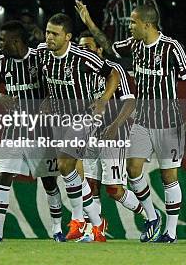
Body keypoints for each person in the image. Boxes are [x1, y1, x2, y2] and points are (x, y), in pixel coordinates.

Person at [76, 1, 186, 243]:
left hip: (168, 122)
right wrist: (89, 22)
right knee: (133, 171)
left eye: (133, 22)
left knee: (168, 177)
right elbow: (107, 46)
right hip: (142, 121)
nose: (129, 26)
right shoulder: (135, 45)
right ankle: (153, 218)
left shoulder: (171, 47)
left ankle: (171, 233)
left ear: (147, 24)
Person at [37, 13, 120, 242]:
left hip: (83, 117)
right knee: (70, 172)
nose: (49, 37)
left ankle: (78, 220)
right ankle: (95, 221)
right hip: (59, 119)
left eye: (55, 34)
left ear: (68, 37)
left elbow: (113, 75)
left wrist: (103, 100)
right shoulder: (43, 54)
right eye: (47, 32)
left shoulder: (83, 57)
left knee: (65, 164)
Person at [0, 21, 65, 243]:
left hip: (41, 131)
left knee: (49, 182)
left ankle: (57, 230)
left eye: (2, 40)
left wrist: (49, 98)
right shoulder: (1, 62)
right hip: (14, 130)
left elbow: (56, 82)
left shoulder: (39, 58)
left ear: (15, 41)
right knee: (4, 177)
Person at [74, 31, 149, 240]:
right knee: (90, 185)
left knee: (114, 190)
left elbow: (130, 101)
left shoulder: (115, 70)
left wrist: (115, 126)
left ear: (98, 49)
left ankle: (149, 216)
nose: (83, 51)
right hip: (91, 134)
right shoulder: (82, 73)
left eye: (88, 47)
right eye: (80, 47)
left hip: (113, 134)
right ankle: (94, 231)